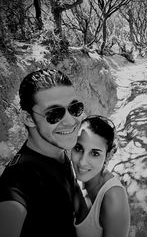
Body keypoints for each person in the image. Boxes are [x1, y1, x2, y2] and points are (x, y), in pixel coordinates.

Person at [0, 69, 88, 237]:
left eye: (75, 108)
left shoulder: (57, 151)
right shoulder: (17, 184)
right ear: (28, 119)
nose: (71, 121)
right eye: (54, 114)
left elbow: (74, 198)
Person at [71, 115, 130, 237]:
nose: (82, 162)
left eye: (94, 153)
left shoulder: (113, 197)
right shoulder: (73, 176)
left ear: (108, 155)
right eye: (78, 148)